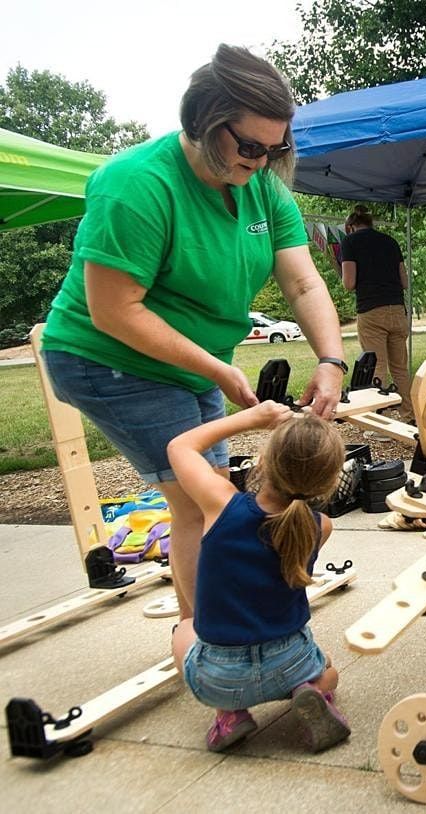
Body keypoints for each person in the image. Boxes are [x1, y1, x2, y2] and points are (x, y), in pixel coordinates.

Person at [39, 44, 346, 625]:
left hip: (193, 359)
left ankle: (222, 628)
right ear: (203, 121)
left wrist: (331, 360)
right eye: (250, 146)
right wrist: (217, 369)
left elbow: (304, 283)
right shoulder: (135, 185)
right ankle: (211, 645)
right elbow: (114, 311)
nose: (263, 160)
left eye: (276, 147)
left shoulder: (263, 188)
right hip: (109, 358)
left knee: (216, 498)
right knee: (196, 505)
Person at [168, 401, 350, 753]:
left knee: (184, 628)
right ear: (327, 482)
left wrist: (251, 418)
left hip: (220, 677)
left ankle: (229, 714)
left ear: (263, 461)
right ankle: (311, 690)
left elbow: (180, 446)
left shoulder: (221, 504)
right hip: (289, 662)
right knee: (329, 671)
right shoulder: (320, 526)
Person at [341, 205, 413, 420]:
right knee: (400, 369)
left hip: (371, 311)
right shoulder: (390, 241)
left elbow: (349, 283)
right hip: (397, 309)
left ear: (350, 226)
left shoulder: (349, 242)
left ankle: (382, 420)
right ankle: (410, 415)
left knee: (377, 368)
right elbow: (404, 282)